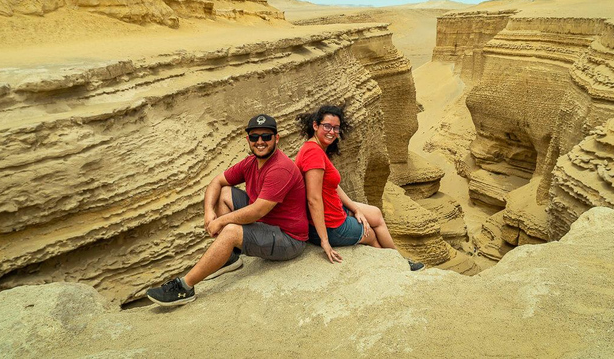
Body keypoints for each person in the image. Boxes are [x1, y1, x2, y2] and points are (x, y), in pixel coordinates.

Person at [146, 113, 309, 307]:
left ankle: (185, 287)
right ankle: (230, 258)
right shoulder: (251, 163)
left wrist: (222, 221)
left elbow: (257, 211)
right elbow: (217, 181)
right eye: (254, 137)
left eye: (266, 136)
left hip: (288, 239)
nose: (260, 142)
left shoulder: (280, 168)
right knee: (224, 193)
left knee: (231, 231)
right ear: (248, 139)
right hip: (268, 224)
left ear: (276, 138)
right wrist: (208, 211)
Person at [294, 105, 424, 271]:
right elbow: (313, 199)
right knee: (371, 235)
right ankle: (395, 266)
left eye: (335, 128)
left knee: (375, 214)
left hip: (334, 211)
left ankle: (398, 258)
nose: (331, 132)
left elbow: (332, 186)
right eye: (327, 126)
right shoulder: (314, 154)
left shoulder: (314, 148)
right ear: (315, 125)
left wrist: (355, 209)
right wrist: (324, 241)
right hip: (332, 225)